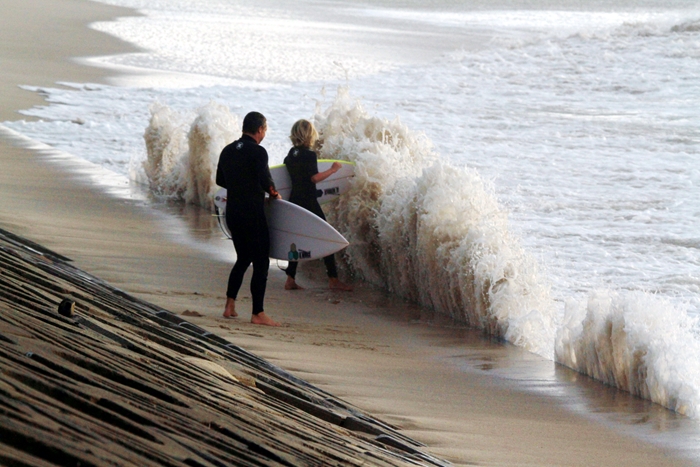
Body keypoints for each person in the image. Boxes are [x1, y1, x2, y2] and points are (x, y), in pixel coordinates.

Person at [216, 111, 281, 326]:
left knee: (243, 258)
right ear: (260, 129)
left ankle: (230, 305)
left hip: (233, 212)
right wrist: (274, 194)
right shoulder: (259, 152)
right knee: (261, 261)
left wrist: (239, 186)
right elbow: (266, 182)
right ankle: (258, 313)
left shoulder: (227, 150)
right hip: (252, 213)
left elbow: (220, 180)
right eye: (265, 130)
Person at [283, 119, 353, 292]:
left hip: (294, 201)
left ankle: (290, 279)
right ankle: (333, 279)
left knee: (297, 238)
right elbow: (314, 178)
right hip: (308, 201)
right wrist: (333, 170)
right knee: (326, 235)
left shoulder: (291, 153)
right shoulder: (309, 155)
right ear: (309, 135)